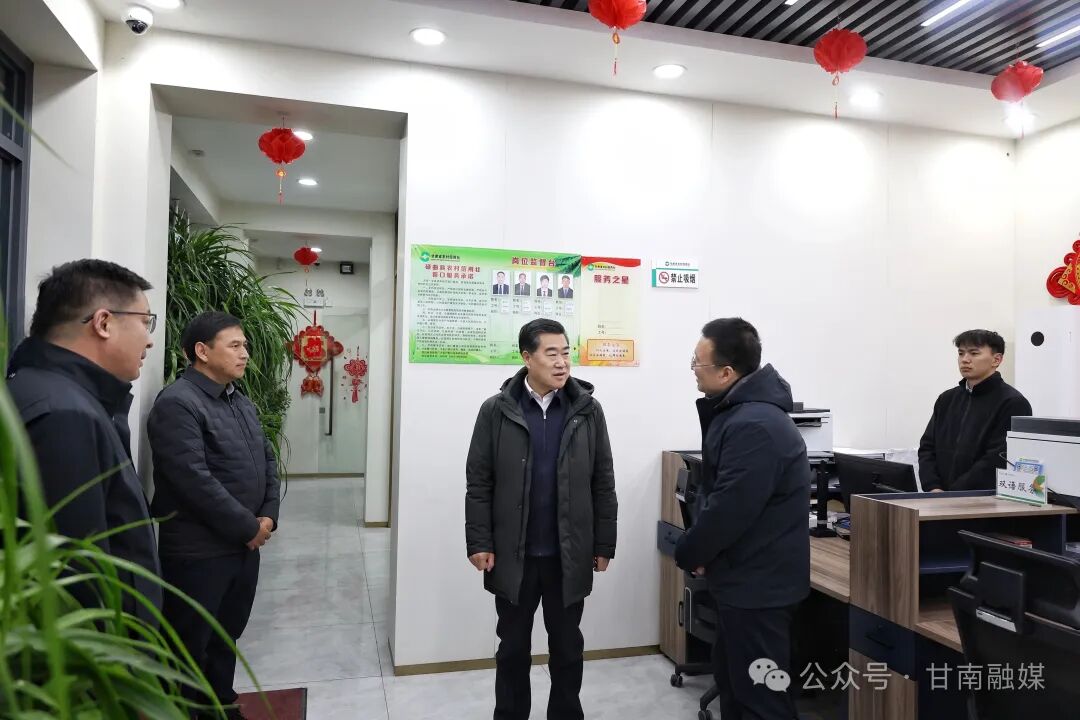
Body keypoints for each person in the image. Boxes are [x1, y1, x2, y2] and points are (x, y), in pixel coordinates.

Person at [466, 318, 618, 720]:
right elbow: (479, 482)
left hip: (568, 555)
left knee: (568, 649)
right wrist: (479, 541)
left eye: (566, 352)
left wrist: (604, 543)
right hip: (513, 555)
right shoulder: (496, 410)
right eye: (551, 353)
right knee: (512, 649)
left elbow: (603, 481)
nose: (562, 362)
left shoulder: (588, 411)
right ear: (527, 357)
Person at [6, 259, 162, 620]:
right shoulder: (64, 416)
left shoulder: (46, 391)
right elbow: (78, 580)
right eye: (145, 321)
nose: (150, 339)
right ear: (103, 323)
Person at [148, 311, 280, 720]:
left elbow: (267, 459)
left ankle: (222, 706)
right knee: (190, 645)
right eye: (235, 345)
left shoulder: (238, 400)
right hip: (199, 552)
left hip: (243, 547)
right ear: (202, 351)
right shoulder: (178, 403)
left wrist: (268, 515)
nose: (245, 353)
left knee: (226, 636)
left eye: (245, 345)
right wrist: (247, 526)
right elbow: (193, 480)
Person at [675, 317, 808, 720]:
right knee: (736, 686)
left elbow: (729, 510)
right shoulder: (740, 415)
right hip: (743, 579)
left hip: (759, 588)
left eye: (698, 363)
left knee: (761, 699)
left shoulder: (755, 426)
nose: (693, 371)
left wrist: (691, 551)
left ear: (727, 372)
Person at [919, 329, 1032, 492]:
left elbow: (999, 458)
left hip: (982, 500)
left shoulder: (1013, 402)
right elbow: (927, 447)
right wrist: (933, 487)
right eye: (961, 353)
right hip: (938, 498)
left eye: (974, 353)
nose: (965, 359)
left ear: (996, 359)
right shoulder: (947, 399)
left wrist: (953, 494)